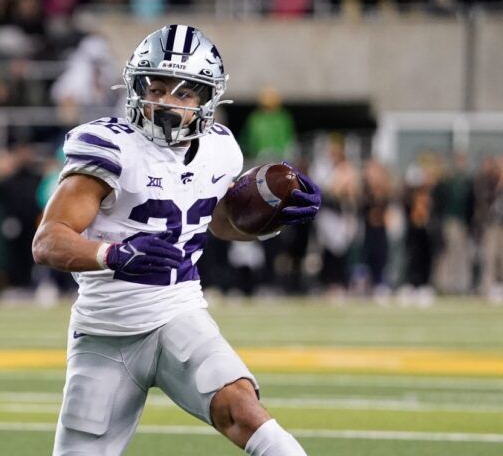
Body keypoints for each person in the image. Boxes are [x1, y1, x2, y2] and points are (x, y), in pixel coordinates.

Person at [32, 25, 321, 456]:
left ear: (206, 100)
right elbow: (48, 240)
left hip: (178, 313)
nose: (165, 103)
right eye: (158, 87)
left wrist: (269, 221)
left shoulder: (221, 148)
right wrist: (113, 254)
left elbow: (216, 224)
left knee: (242, 408)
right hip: (106, 331)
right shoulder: (110, 146)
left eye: (184, 94)